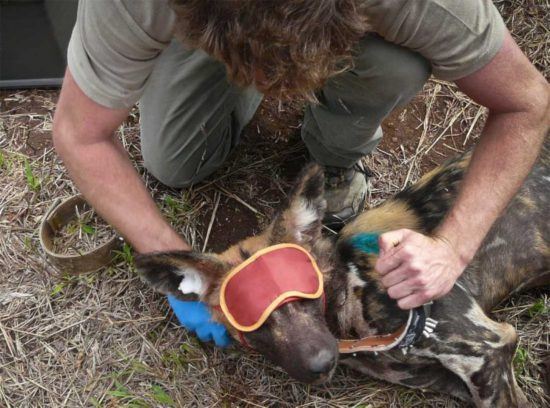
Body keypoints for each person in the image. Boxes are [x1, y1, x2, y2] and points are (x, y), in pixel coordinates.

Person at [53, 0, 549, 346]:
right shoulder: (129, 5)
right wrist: (183, 268)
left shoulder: (416, 4)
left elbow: (528, 103)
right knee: (175, 163)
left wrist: (453, 247)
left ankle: (334, 151)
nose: (279, 90)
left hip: (361, 32)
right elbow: (80, 135)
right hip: (199, 28)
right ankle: (233, 77)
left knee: (395, 65)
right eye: (267, 77)